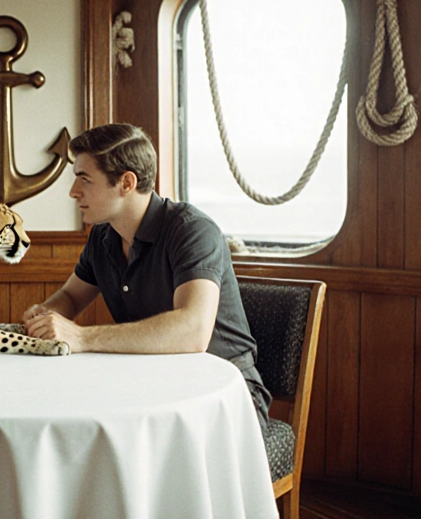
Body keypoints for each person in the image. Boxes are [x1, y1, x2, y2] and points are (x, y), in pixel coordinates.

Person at [21, 123, 270, 432]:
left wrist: (82, 337)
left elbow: (193, 330)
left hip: (227, 397)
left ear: (126, 182)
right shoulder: (102, 236)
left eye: (84, 180)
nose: (74, 192)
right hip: (152, 388)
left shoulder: (192, 230)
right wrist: (45, 316)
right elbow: (71, 297)